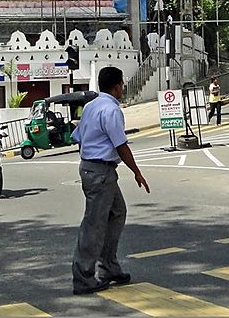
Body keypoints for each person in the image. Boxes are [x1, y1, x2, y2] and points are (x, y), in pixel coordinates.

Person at [71, 66, 150, 294]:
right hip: (100, 171)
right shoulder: (111, 110)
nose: (123, 88)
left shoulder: (91, 106)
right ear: (117, 87)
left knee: (117, 212)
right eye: (122, 85)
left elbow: (78, 137)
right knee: (94, 224)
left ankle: (108, 266)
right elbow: (121, 145)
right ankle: (84, 276)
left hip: (94, 169)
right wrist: (137, 171)